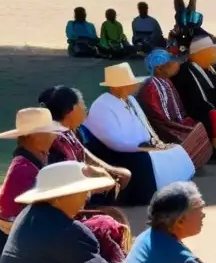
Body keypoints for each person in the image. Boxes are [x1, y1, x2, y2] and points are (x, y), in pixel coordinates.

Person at [0, 108, 129, 262]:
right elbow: (45, 212)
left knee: (109, 216)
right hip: (23, 233)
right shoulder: (22, 168)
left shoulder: (36, 158)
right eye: (50, 132)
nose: (55, 136)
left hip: (39, 223)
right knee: (104, 224)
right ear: (35, 137)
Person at [83, 62, 197, 204]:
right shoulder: (102, 105)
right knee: (145, 161)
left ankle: (175, 185)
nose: (134, 86)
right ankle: (151, 194)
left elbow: (143, 124)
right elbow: (113, 141)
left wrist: (154, 143)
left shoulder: (129, 99)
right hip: (118, 153)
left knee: (175, 149)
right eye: (128, 83)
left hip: (141, 146)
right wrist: (142, 148)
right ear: (115, 87)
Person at [38, 85, 134, 204]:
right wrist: (101, 176)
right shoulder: (56, 139)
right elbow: (68, 175)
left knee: (123, 174)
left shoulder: (70, 131)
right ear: (71, 110)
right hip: (67, 193)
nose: (85, 109)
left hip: (79, 183)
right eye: (82, 104)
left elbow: (84, 154)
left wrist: (111, 171)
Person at [136, 50, 214, 170]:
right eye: (170, 62)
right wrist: (178, 126)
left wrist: (184, 121)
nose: (175, 64)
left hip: (176, 121)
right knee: (196, 129)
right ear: (159, 68)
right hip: (166, 128)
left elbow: (178, 108)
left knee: (200, 124)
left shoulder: (166, 81)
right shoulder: (151, 88)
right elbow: (159, 118)